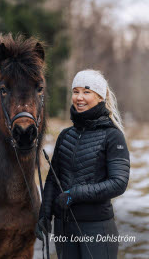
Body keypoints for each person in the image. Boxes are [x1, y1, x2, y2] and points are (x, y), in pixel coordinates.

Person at [36, 69, 130, 259]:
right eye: (76, 91)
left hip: (97, 228)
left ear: (100, 97)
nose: (79, 98)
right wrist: (44, 215)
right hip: (64, 228)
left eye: (86, 92)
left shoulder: (112, 135)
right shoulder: (65, 136)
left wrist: (75, 194)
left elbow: (118, 182)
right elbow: (54, 181)